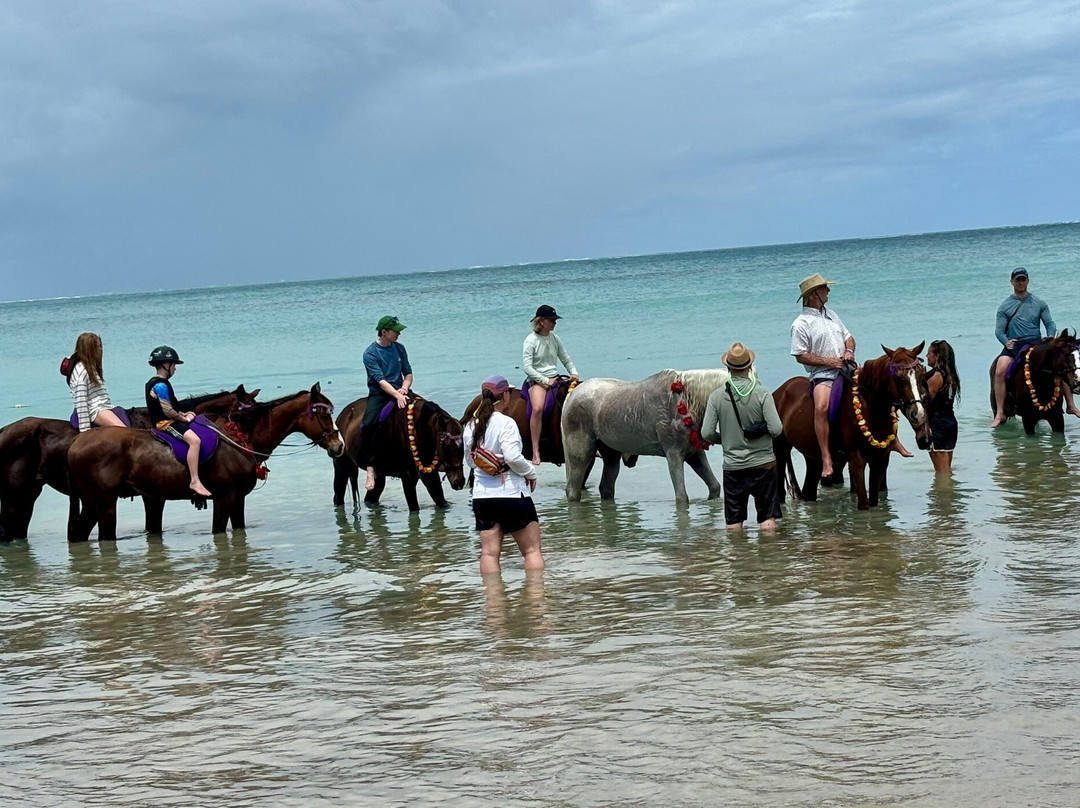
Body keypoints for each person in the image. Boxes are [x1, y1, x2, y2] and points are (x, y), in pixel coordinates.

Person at [790, 273, 911, 482]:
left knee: (880, 393)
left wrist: (849, 352)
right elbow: (800, 355)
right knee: (821, 408)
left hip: (847, 368)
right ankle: (827, 457)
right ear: (813, 294)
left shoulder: (832, 315)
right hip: (822, 375)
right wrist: (830, 362)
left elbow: (849, 338)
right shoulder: (801, 324)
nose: (828, 291)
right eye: (824, 288)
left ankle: (893, 441)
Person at [463, 375, 543, 574]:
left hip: (482, 498)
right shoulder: (506, 423)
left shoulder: (471, 426)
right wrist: (530, 473)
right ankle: (536, 602)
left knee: (489, 554)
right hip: (512, 495)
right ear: (505, 395)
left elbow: (471, 462)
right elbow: (512, 457)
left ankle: (494, 603)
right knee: (531, 551)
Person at [701, 342, 783, 531]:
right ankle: (769, 558)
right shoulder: (762, 393)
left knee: (734, 523)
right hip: (763, 464)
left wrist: (725, 439)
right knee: (767, 520)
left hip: (733, 467)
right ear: (749, 366)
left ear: (728, 367)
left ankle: (738, 558)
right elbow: (776, 429)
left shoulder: (716, 397)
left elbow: (706, 433)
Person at [991, 266, 1079, 427]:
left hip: (1036, 344)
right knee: (1000, 369)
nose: (1021, 282)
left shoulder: (1039, 303)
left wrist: (1051, 334)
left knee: (1060, 364)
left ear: (1028, 281)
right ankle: (1000, 412)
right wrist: (1005, 342)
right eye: (1017, 280)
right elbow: (998, 331)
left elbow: (1049, 323)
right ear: (1012, 282)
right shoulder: (1005, 306)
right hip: (1014, 346)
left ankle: (1071, 405)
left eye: (1023, 279)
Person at [146, 345, 212, 498]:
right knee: (195, 441)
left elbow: (171, 407)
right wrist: (183, 418)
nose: (175, 368)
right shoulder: (160, 385)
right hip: (165, 424)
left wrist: (183, 412)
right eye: (174, 365)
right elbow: (168, 411)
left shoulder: (157, 383)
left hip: (169, 420)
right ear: (165, 365)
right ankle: (195, 480)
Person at [361, 315, 413, 491]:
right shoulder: (370, 353)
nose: (399, 333)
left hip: (401, 390)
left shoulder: (399, 349)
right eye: (395, 331)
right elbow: (380, 381)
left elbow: (408, 372)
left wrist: (404, 388)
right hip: (380, 394)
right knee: (368, 424)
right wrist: (396, 395)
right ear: (384, 332)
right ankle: (370, 467)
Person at [523, 304, 579, 464]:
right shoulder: (530, 340)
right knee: (537, 408)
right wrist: (545, 381)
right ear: (541, 321)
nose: (555, 323)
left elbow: (565, 358)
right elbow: (527, 367)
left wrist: (574, 372)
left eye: (555, 320)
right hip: (538, 381)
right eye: (551, 320)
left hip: (555, 378)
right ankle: (535, 450)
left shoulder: (555, 339)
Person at [66, 332, 126, 432]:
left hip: (103, 407)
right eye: (97, 347)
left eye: (100, 346)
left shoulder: (91, 367)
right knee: (123, 431)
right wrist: (85, 430)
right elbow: (81, 400)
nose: (100, 349)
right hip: (95, 410)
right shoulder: (82, 371)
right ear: (89, 350)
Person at [926, 339, 960, 474]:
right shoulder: (951, 375)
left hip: (937, 424)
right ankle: (948, 493)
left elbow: (926, 402)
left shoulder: (936, 376)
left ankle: (943, 494)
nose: (927, 356)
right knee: (946, 470)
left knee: (942, 473)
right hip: (949, 422)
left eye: (929, 353)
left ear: (937, 356)